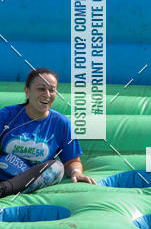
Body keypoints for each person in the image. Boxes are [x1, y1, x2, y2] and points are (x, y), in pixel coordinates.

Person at [0, 68, 96, 198]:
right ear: (27, 91)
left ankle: (5, 189)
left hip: (33, 180)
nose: (47, 94)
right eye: (41, 89)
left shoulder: (61, 123)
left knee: (57, 167)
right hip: (3, 172)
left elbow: (72, 161)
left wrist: (76, 172)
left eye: (52, 90)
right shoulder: (7, 115)